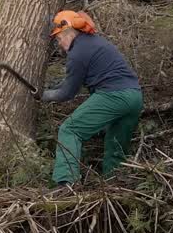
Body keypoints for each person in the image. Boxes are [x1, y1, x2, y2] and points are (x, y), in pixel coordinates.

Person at [41, 10, 143, 186]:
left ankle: (66, 183)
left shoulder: (77, 53)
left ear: (68, 32)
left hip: (113, 96)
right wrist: (51, 89)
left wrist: (43, 95)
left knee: (70, 130)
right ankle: (114, 186)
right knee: (115, 147)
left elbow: (67, 93)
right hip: (134, 97)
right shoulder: (95, 42)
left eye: (59, 39)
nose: (60, 44)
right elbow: (70, 82)